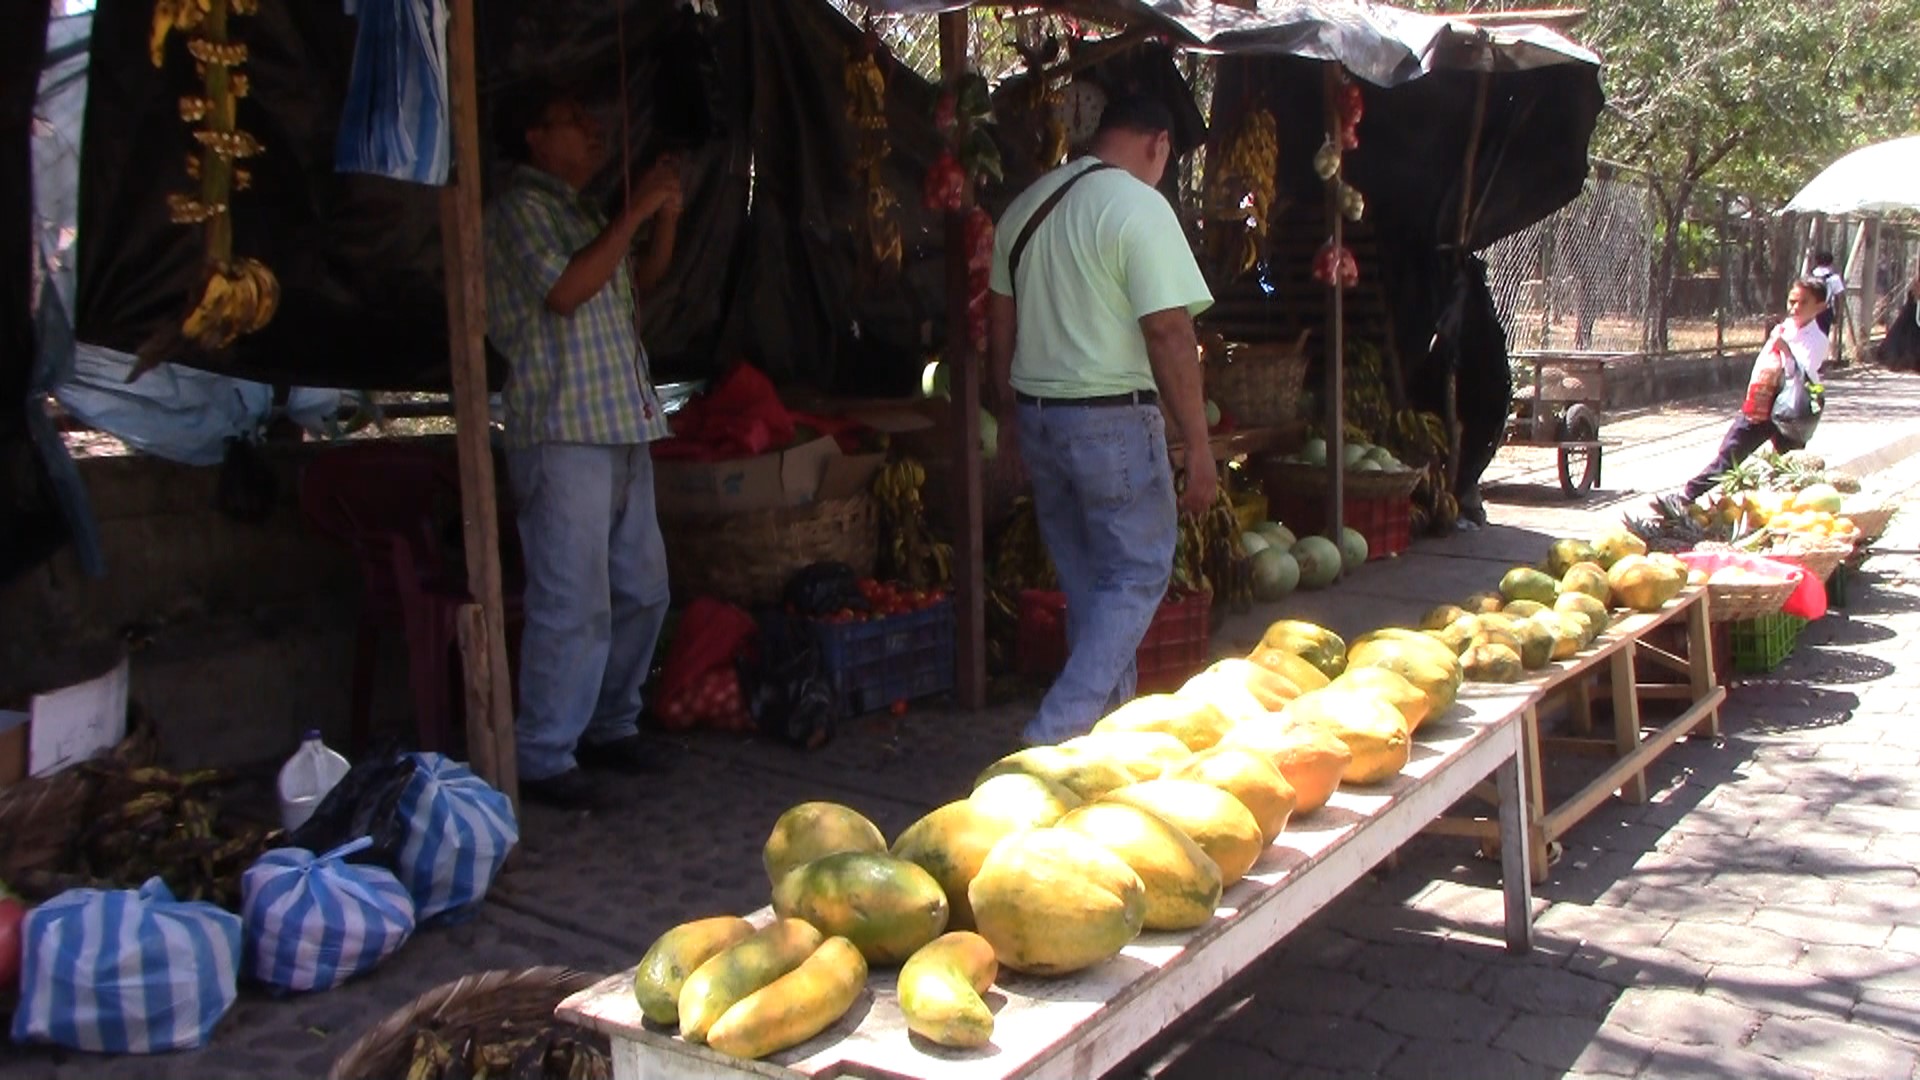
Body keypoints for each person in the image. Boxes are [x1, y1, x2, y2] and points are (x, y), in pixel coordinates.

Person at [986, 94, 1215, 746]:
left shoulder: (1026, 206)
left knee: (1091, 586)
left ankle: (1101, 748)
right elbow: (1170, 331)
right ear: (1158, 143)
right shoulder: (1139, 206)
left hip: (1039, 421)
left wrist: (1007, 417)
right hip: (1111, 422)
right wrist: (1198, 447)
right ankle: (1052, 735)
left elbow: (998, 328)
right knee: (1138, 575)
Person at [484, 84, 684, 809]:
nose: (594, 130)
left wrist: (660, 221)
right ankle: (543, 753)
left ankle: (610, 724)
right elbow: (566, 292)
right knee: (573, 602)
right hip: (564, 431)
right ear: (535, 138)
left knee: (643, 589)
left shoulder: (580, 211)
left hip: (622, 423)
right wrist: (635, 211)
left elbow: (634, 285)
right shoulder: (519, 212)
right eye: (575, 117)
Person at [1677, 276, 1829, 502]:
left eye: (1803, 302)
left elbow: (1800, 374)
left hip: (1788, 411)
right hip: (1760, 406)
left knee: (1789, 469)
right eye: (1792, 301)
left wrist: (1785, 350)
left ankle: (1793, 512)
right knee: (1730, 455)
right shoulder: (1783, 328)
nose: (1795, 307)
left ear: (1820, 307)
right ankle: (1686, 496)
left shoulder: (1817, 340)